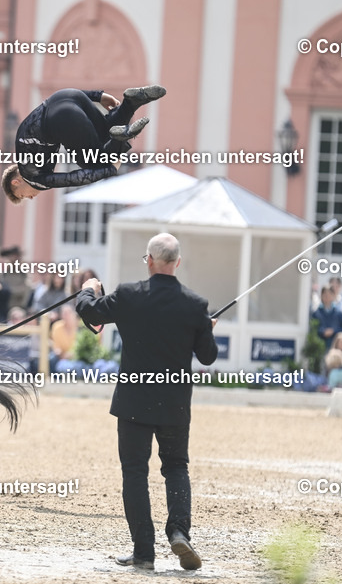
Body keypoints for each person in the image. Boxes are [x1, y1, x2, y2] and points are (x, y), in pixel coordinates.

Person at [75, 233, 217, 572]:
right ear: (177, 263)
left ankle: (144, 552)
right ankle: (180, 531)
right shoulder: (195, 304)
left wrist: (89, 288)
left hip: (135, 402)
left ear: (150, 261)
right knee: (176, 467)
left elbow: (90, 311)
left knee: (135, 473)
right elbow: (208, 356)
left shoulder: (128, 295)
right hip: (175, 403)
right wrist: (207, 328)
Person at [1, 86, 166, 202]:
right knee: (104, 135)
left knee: (93, 162)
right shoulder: (21, 141)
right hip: (69, 96)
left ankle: (122, 137)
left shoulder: (32, 177)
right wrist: (97, 96)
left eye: (23, 196)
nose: (30, 197)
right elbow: (53, 102)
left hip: (60, 117)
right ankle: (130, 103)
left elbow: (74, 178)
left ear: (16, 182)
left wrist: (109, 170)